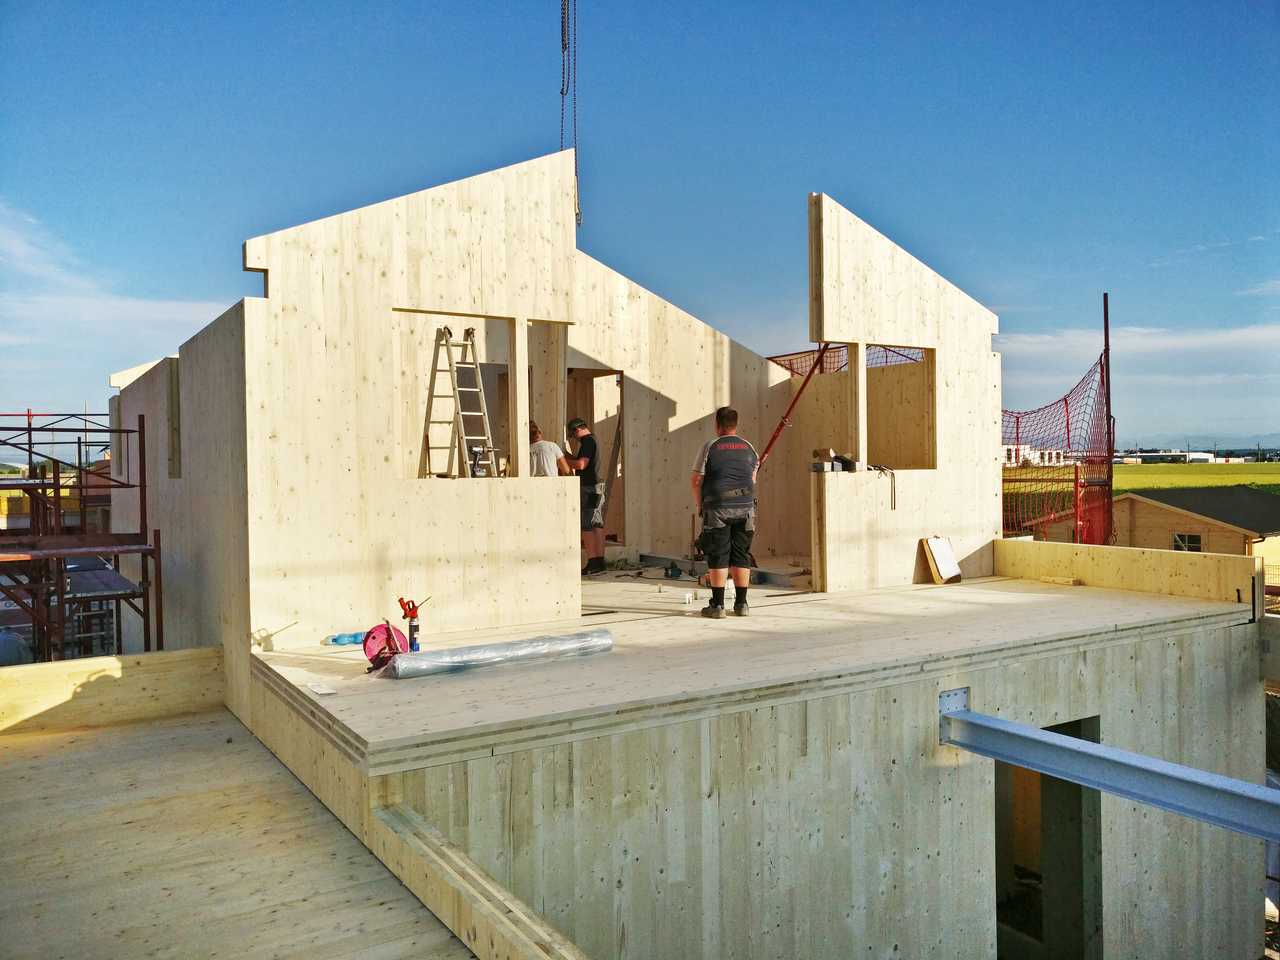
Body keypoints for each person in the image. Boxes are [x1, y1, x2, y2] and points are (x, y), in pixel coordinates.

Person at [690, 406, 758, 618]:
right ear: (736, 425)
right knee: (741, 555)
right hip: (746, 509)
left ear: (717, 425)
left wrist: (700, 504)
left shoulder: (710, 446)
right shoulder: (749, 447)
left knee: (718, 554)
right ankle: (742, 604)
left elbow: (696, 480)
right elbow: (753, 479)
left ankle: (718, 606)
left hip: (718, 509)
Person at [566, 417, 607, 575]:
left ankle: (592, 562)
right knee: (597, 524)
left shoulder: (588, 442)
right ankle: (600, 562)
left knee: (586, 525)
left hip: (590, 488)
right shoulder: (593, 440)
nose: (575, 438)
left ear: (577, 430)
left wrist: (562, 461)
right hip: (597, 486)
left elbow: (581, 464)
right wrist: (569, 457)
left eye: (573, 435)